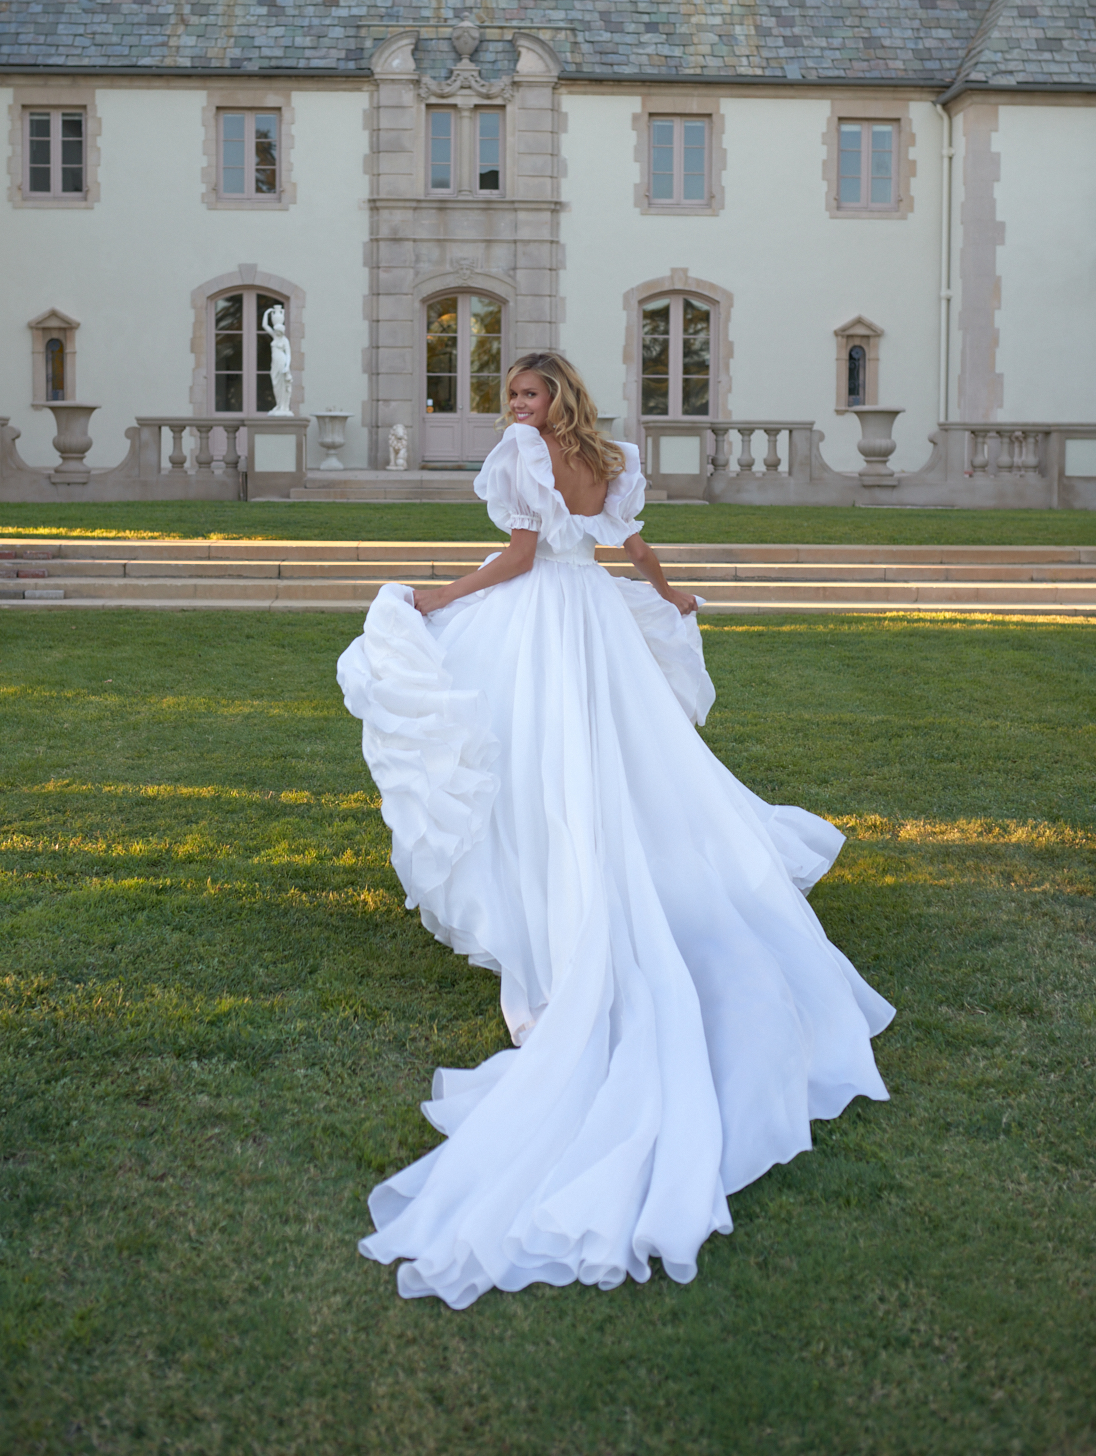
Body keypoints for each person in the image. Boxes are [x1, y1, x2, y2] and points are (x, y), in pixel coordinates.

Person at [337, 352, 893, 1309]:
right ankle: (596, 876)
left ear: (555, 397)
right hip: (592, 615)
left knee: (536, 760)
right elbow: (628, 550)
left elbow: (520, 555)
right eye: (510, 394)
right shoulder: (611, 456)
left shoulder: (523, 453)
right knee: (609, 765)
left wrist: (440, 595)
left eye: (527, 392)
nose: (515, 407)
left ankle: (557, 902)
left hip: (546, 615)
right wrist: (669, 595)